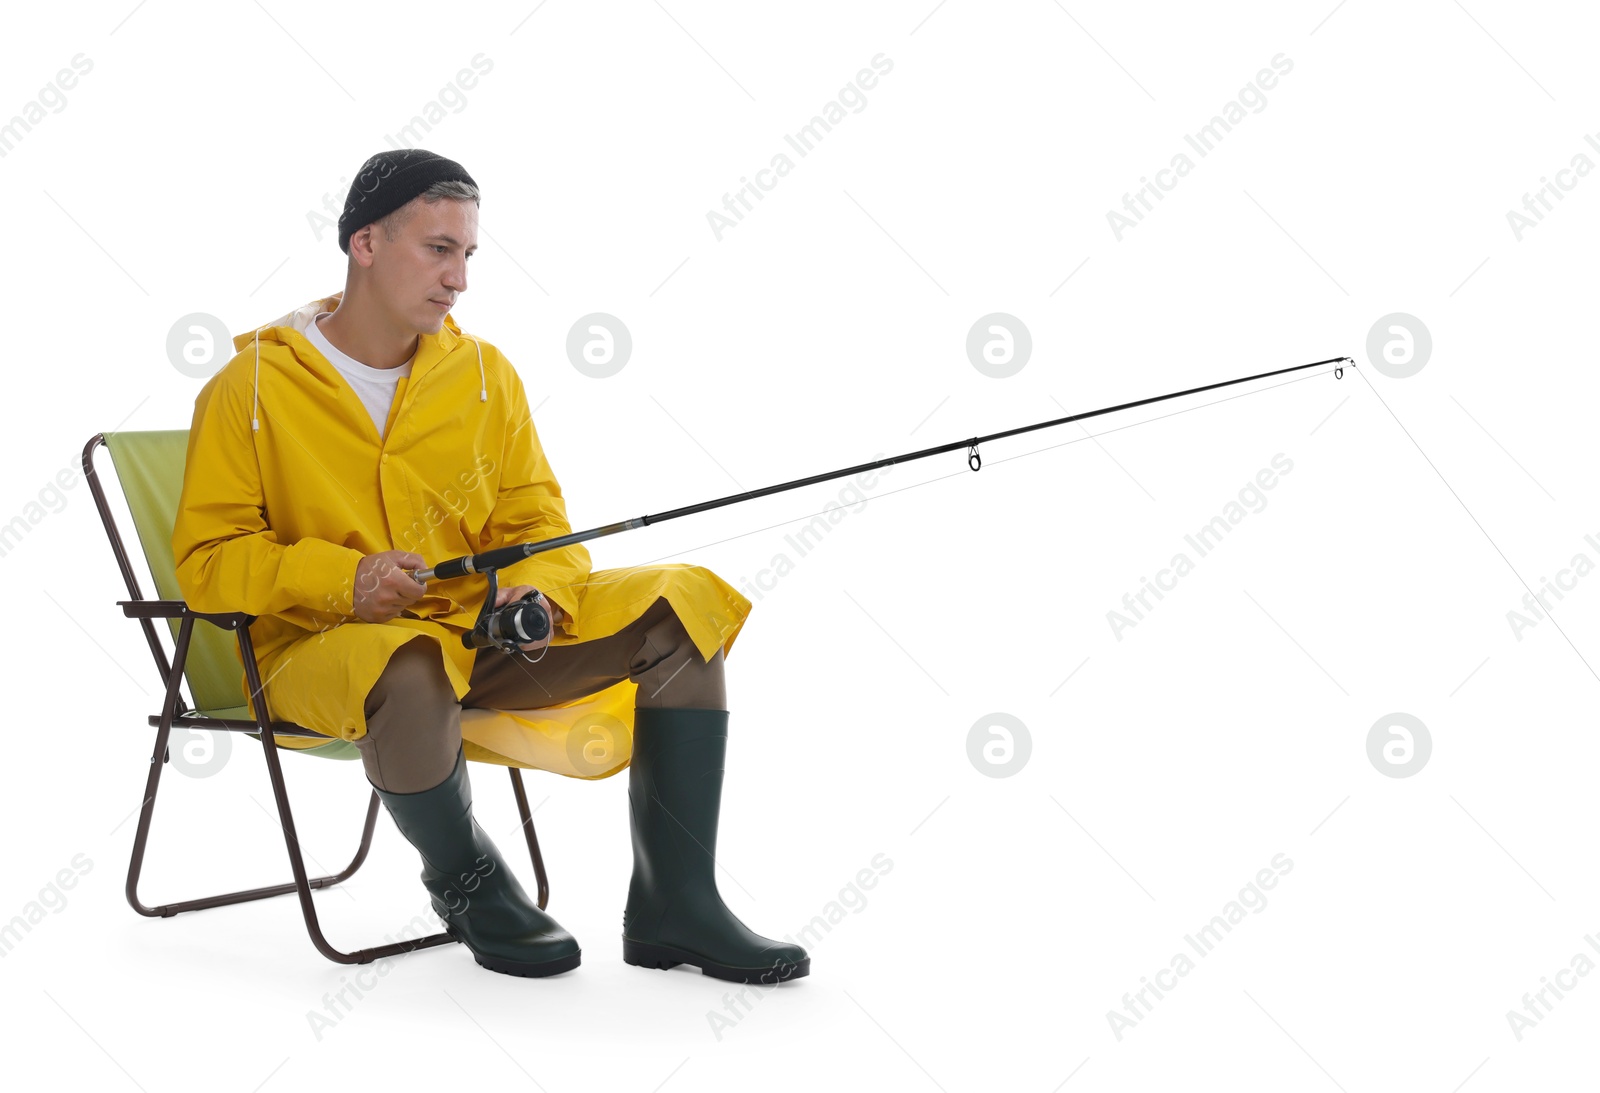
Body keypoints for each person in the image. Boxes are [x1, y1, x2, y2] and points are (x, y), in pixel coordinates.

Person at [171, 148, 808, 984]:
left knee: (682, 603)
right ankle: (468, 878)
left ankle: (676, 903)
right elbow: (207, 562)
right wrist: (345, 581)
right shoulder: (247, 388)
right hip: (316, 653)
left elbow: (537, 520)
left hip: (481, 638)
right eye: (439, 248)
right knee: (410, 658)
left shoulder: (481, 375)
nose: (459, 278)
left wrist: (534, 590)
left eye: (468, 254)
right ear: (365, 243)